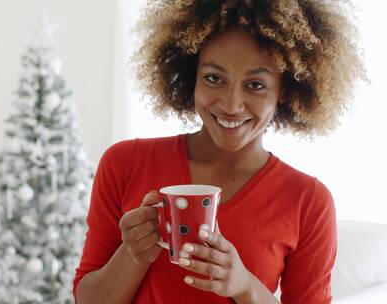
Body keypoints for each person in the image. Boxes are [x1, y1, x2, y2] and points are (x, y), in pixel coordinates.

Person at [73, 0, 365, 303]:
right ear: (191, 77)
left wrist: (244, 286)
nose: (230, 105)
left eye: (255, 85)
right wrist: (132, 255)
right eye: (214, 78)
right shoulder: (124, 163)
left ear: (286, 91)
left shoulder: (308, 201)